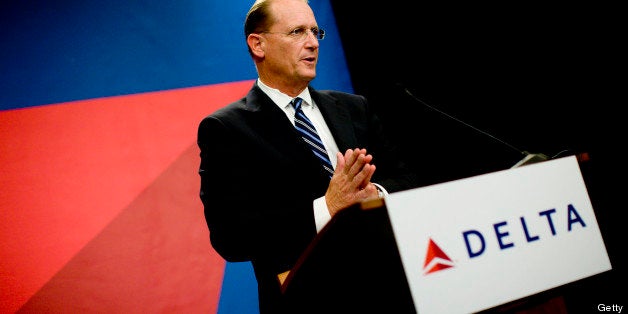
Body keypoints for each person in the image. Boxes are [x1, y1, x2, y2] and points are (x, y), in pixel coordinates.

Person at [196, 0, 418, 312]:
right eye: (297, 32)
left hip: (390, 289)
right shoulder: (226, 128)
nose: (312, 42)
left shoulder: (354, 108)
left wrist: (374, 195)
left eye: (315, 31)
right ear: (258, 44)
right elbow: (231, 236)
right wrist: (328, 207)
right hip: (306, 299)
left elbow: (407, 180)